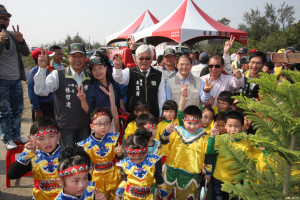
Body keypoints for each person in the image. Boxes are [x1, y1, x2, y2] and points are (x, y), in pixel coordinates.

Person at [160, 82, 213, 199]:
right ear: (183, 121)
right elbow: (163, 140)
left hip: (190, 174)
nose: (192, 126)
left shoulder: (205, 136)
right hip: (170, 169)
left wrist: (208, 173)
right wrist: (167, 132)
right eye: (189, 123)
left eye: (196, 123)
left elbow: (208, 155)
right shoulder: (177, 130)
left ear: (200, 122)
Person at [34, 44, 92, 147]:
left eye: (80, 56)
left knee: (84, 157)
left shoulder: (90, 77)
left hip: (84, 126)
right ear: (68, 57)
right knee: (66, 158)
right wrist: (42, 68)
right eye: (74, 56)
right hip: (65, 127)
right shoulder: (58, 75)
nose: (77, 59)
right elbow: (41, 91)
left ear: (85, 58)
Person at [207, 111, 266, 200]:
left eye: (237, 126)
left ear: (242, 127)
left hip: (236, 183)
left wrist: (246, 183)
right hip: (218, 180)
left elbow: (248, 165)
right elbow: (209, 152)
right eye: (230, 126)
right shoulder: (220, 139)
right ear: (225, 126)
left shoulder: (246, 143)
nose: (233, 129)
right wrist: (212, 137)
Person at [7, 118, 62, 199]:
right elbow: (11, 174)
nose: (47, 142)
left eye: (51, 136)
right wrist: (27, 153)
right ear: (34, 140)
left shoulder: (67, 155)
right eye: (41, 138)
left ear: (58, 136)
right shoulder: (33, 157)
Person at [0, 4, 30, 149]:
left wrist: (21, 41)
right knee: (5, 111)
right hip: (2, 80)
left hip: (16, 79)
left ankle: (16, 135)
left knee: (18, 110)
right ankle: (7, 138)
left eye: (5, 17)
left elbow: (26, 53)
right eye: (0, 18)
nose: (3, 20)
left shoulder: (12, 35)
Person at [78, 107, 122, 199]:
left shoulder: (114, 138)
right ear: (92, 126)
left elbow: (120, 157)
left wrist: (119, 153)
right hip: (97, 176)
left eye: (106, 124)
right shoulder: (86, 144)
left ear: (110, 125)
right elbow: (85, 164)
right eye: (99, 124)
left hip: (114, 174)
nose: (103, 127)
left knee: (118, 196)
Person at [112, 44, 166, 117]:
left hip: (152, 117)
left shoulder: (158, 74)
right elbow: (119, 79)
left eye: (147, 58)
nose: (144, 61)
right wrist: (118, 69)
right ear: (136, 58)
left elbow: (161, 97)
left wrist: (161, 115)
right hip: (134, 117)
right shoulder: (130, 72)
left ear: (152, 59)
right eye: (141, 58)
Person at [115, 128, 168, 200]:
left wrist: (164, 195)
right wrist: (118, 194)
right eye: (133, 159)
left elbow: (160, 180)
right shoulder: (126, 164)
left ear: (146, 152)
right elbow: (125, 180)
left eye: (140, 158)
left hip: (147, 197)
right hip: (129, 197)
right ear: (127, 154)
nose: (137, 161)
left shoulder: (152, 163)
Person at [27, 48, 55, 121]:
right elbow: (31, 93)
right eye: (47, 57)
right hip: (41, 106)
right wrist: (37, 109)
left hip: (50, 104)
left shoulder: (47, 70)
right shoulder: (33, 72)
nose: (49, 59)